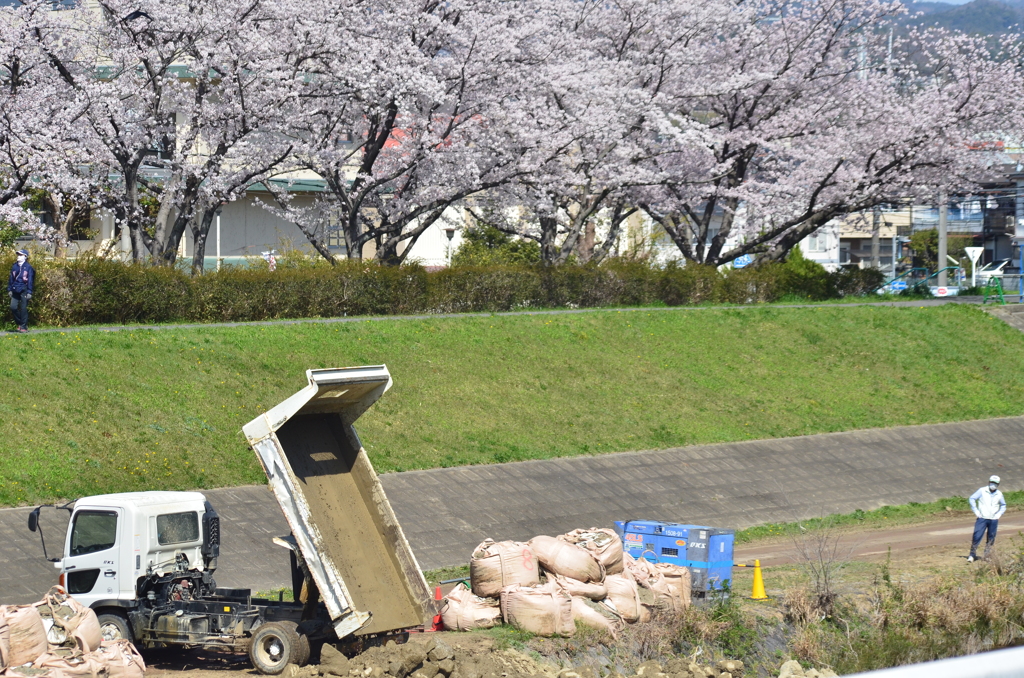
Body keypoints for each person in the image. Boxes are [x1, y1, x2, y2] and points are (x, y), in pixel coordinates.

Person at [968, 474, 1006, 562]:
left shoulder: (999, 494)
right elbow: (972, 498)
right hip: (982, 518)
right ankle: (972, 554)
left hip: (993, 519)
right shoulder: (982, 491)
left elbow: (1003, 505)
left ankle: (987, 555)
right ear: (989, 482)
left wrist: (999, 514)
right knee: (977, 536)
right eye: (992, 482)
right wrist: (976, 511)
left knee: (991, 537)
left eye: (996, 483)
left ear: (998, 484)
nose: (994, 485)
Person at [7, 249, 35, 333]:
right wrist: (10, 289)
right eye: (18, 255)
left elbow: (30, 280)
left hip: (24, 289)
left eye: (21, 255)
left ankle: (23, 327)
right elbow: (11, 279)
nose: (18, 256)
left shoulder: (28, 267)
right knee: (13, 307)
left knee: (23, 308)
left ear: (25, 257)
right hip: (15, 289)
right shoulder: (14, 266)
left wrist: (29, 291)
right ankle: (20, 323)